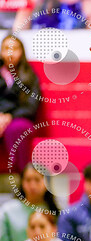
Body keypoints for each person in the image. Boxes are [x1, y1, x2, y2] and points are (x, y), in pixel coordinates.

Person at [0, 163, 59, 241]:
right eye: (28, 180)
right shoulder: (7, 211)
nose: (32, 185)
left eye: (37, 180)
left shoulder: (55, 212)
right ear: (22, 182)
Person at [0, 34, 40, 172]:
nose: (10, 53)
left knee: (17, 129)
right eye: (6, 48)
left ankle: (22, 174)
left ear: (21, 51)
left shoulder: (30, 76)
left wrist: (9, 116)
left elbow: (31, 107)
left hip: (19, 118)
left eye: (15, 48)